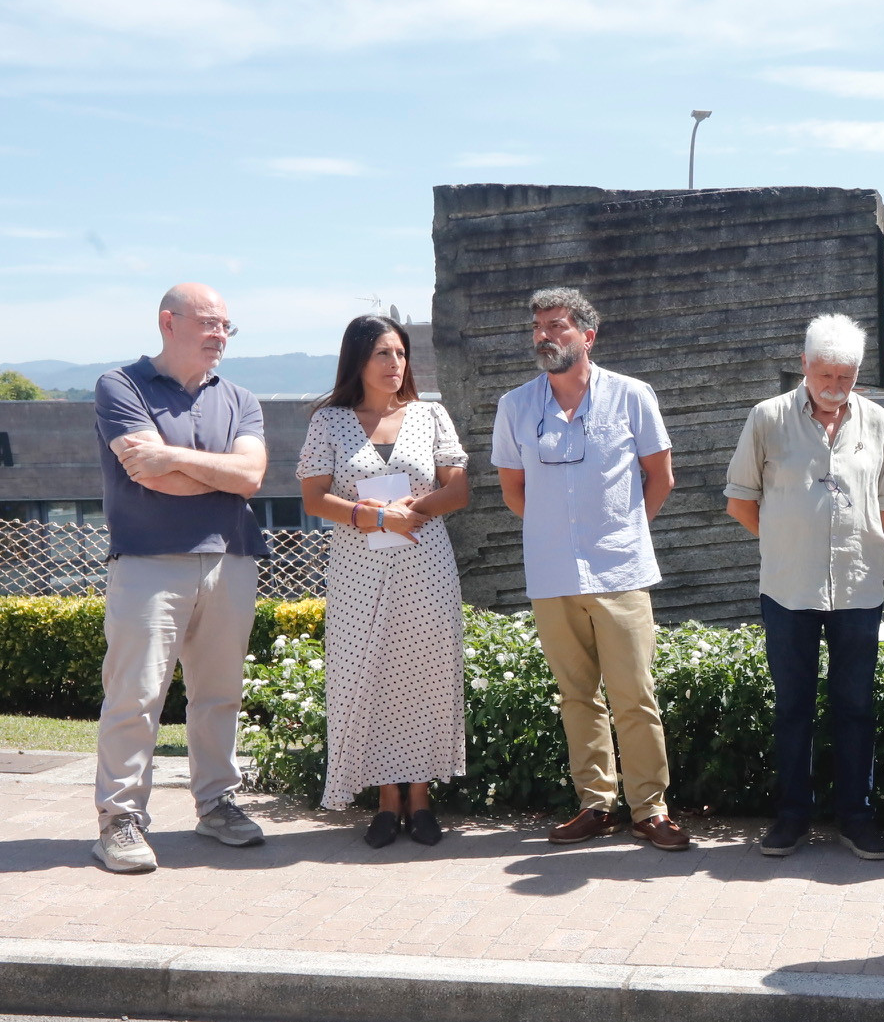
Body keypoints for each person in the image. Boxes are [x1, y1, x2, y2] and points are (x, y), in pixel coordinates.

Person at [491, 287, 691, 852]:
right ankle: (595, 805)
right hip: (552, 574)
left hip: (620, 571)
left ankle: (650, 810)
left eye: (557, 325)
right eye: (538, 327)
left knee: (635, 695)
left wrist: (621, 530)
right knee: (576, 695)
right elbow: (513, 490)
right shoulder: (516, 406)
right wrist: (559, 532)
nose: (544, 335)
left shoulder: (632, 396)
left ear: (587, 335)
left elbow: (661, 476)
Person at [87, 283, 271, 872]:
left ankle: (217, 803)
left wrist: (180, 459)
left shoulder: (241, 398)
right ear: (168, 322)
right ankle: (119, 820)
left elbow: (251, 477)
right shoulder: (120, 385)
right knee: (136, 695)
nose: (220, 335)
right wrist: (214, 474)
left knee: (219, 695)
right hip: (147, 561)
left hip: (231, 558)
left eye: (226, 326)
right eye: (210, 324)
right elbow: (148, 474)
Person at [725, 313, 884, 860]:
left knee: (856, 706)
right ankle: (792, 818)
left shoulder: (875, 421)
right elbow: (739, 501)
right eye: (824, 374)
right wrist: (788, 540)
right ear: (803, 364)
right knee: (793, 707)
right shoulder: (768, 418)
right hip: (788, 587)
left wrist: (846, 544)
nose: (834, 387)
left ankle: (857, 817)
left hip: (856, 590)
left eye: (845, 376)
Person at [296, 315, 470, 847]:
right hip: (357, 571)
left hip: (425, 566)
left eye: (400, 354)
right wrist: (373, 518)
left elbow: (459, 489)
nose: (395, 365)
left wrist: (411, 511)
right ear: (358, 361)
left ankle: (420, 797)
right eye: (383, 355)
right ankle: (384, 799)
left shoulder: (430, 414)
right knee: (364, 675)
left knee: (423, 675)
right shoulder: (329, 421)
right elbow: (313, 497)